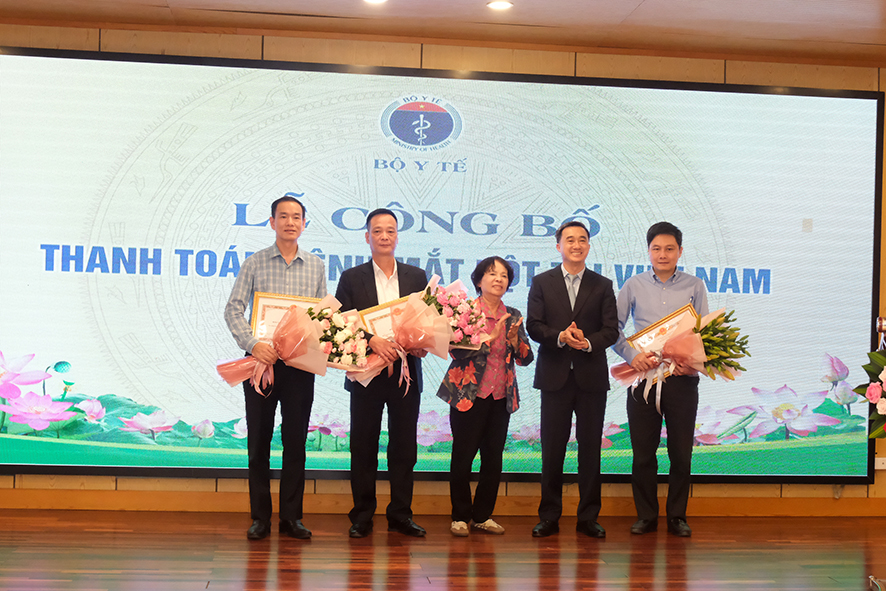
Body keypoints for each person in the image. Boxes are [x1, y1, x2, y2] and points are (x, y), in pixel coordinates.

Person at [224, 195, 326, 540]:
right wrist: (254, 344)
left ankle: (292, 518)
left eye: (296, 217)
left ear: (304, 224)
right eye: (283, 216)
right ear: (272, 222)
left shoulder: (316, 266)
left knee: (295, 443)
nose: (290, 222)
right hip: (261, 365)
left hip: (299, 367)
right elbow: (233, 309)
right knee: (259, 442)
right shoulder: (254, 263)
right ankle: (260, 518)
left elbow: (322, 318)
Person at [335, 208, 429, 538]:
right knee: (363, 447)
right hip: (366, 375)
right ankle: (362, 516)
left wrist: (422, 343)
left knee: (404, 449)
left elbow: (427, 323)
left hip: (406, 374)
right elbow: (339, 323)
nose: (384, 236)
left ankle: (400, 514)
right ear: (367, 237)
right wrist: (371, 339)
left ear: (397, 236)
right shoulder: (351, 278)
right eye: (377, 231)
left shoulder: (416, 277)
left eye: (390, 230)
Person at [612, 221, 709, 538]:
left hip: (681, 379)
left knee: (681, 453)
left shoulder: (695, 285)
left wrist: (691, 362)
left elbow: (705, 333)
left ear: (680, 251)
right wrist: (632, 356)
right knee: (643, 453)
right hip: (643, 378)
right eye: (656, 248)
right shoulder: (633, 284)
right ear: (649, 251)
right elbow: (613, 329)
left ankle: (677, 516)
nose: (663, 254)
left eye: (669, 248)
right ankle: (646, 516)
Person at [526, 220, 618, 538]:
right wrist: (561, 337)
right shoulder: (542, 282)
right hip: (554, 377)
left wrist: (588, 342)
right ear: (558, 246)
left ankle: (588, 517)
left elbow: (611, 330)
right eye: (570, 240)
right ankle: (549, 516)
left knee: (590, 450)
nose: (576, 245)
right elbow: (534, 325)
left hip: (591, 377)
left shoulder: (602, 285)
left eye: (582, 240)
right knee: (552, 450)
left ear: (589, 246)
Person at [437, 256, 534, 537]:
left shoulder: (513, 315)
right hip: (468, 394)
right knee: (463, 456)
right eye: (492, 274)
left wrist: (514, 340)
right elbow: (454, 351)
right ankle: (460, 516)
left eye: (504, 275)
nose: (498, 279)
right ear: (479, 280)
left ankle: (482, 515)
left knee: (493, 459)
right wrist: (488, 338)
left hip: (501, 396)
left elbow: (526, 358)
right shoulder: (466, 311)